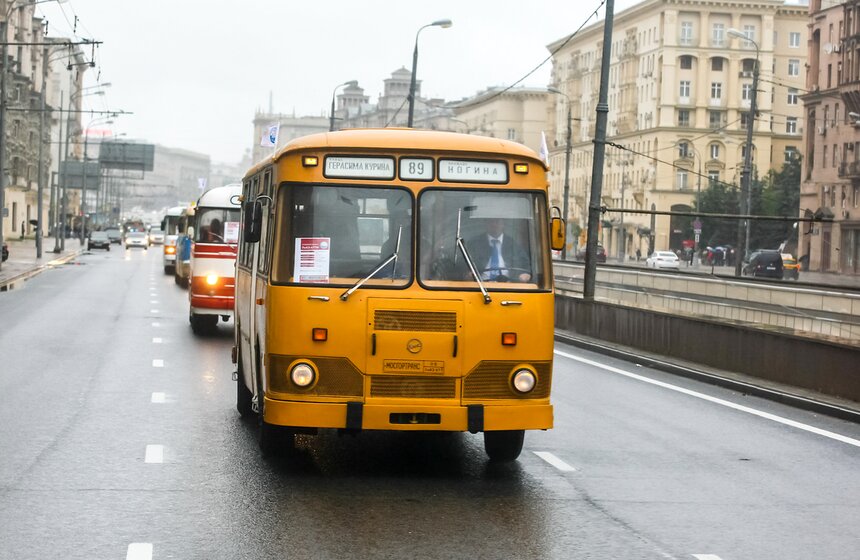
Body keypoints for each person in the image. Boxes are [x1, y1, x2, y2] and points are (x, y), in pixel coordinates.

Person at [464, 217, 531, 282]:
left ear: (503, 224)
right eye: (491, 221)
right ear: (485, 223)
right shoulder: (474, 243)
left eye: (497, 221)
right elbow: (463, 264)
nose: (494, 224)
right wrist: (468, 274)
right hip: (481, 286)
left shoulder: (513, 245)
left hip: (508, 286)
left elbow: (526, 265)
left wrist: (526, 274)